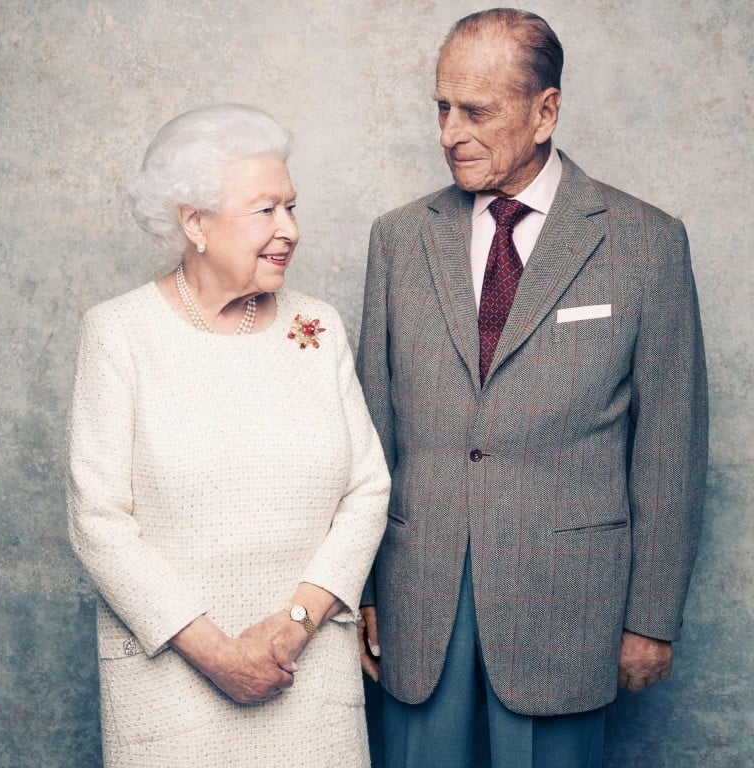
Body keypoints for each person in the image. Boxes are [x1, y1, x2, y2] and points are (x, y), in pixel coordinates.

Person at [356, 9, 707, 768]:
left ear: (545, 112)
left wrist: (652, 616)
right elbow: (371, 434)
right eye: (442, 108)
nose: (450, 133)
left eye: (476, 111)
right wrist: (366, 590)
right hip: (419, 596)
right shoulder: (397, 239)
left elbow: (670, 447)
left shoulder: (647, 243)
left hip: (569, 604)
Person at [67, 103, 390, 768]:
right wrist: (219, 656)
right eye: (266, 209)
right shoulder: (119, 334)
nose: (290, 229)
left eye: (291, 207)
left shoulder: (317, 328)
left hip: (307, 681)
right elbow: (98, 522)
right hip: (171, 691)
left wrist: (293, 628)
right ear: (196, 222)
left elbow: (367, 491)